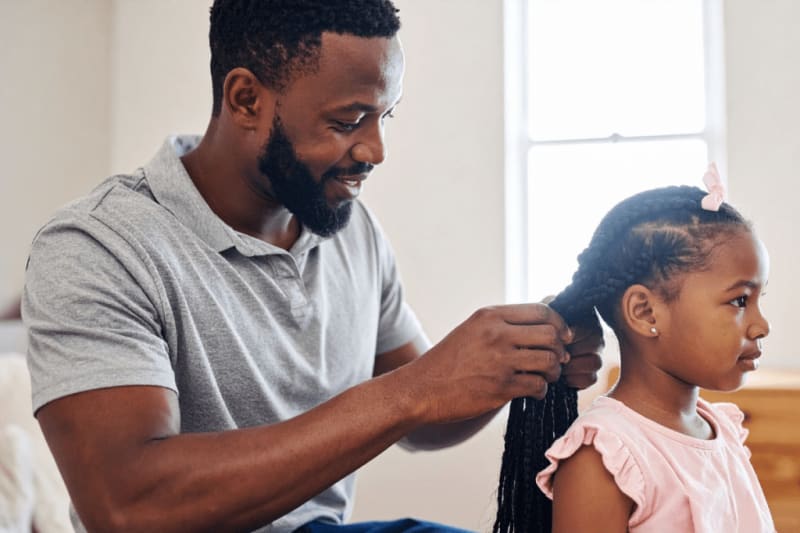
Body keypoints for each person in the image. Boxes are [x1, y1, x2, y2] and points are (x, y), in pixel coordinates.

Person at [21, 1, 603, 532]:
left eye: (385, 116)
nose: (376, 150)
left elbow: (425, 416)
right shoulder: (96, 247)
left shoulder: (349, 228)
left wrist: (513, 362)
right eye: (349, 120)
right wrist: (412, 391)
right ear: (246, 99)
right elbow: (130, 505)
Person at [493, 166, 775, 533]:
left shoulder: (721, 429)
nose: (762, 325)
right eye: (739, 300)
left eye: (758, 300)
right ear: (644, 312)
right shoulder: (605, 457)